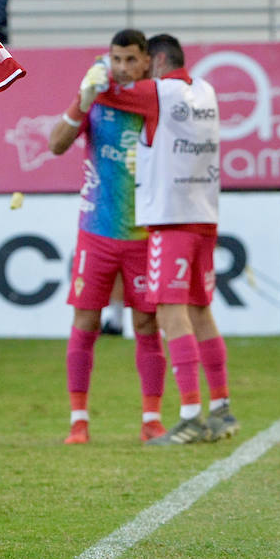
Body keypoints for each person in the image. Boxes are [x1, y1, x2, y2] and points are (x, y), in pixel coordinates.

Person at [86, 34, 235, 447]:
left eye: (145, 61)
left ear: (158, 60)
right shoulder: (205, 91)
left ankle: (189, 415)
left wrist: (98, 77)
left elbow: (112, 95)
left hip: (170, 221)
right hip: (205, 216)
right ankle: (221, 408)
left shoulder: (159, 93)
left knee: (171, 314)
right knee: (201, 312)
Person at [48, 30, 168, 444]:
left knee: (147, 323)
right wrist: (83, 101)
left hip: (143, 233)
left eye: (130, 60)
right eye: (116, 59)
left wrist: (100, 87)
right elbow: (56, 144)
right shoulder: (95, 94)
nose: (121, 67)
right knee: (85, 320)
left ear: (147, 61)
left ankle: (151, 420)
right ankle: (78, 421)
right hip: (96, 231)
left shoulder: (154, 98)